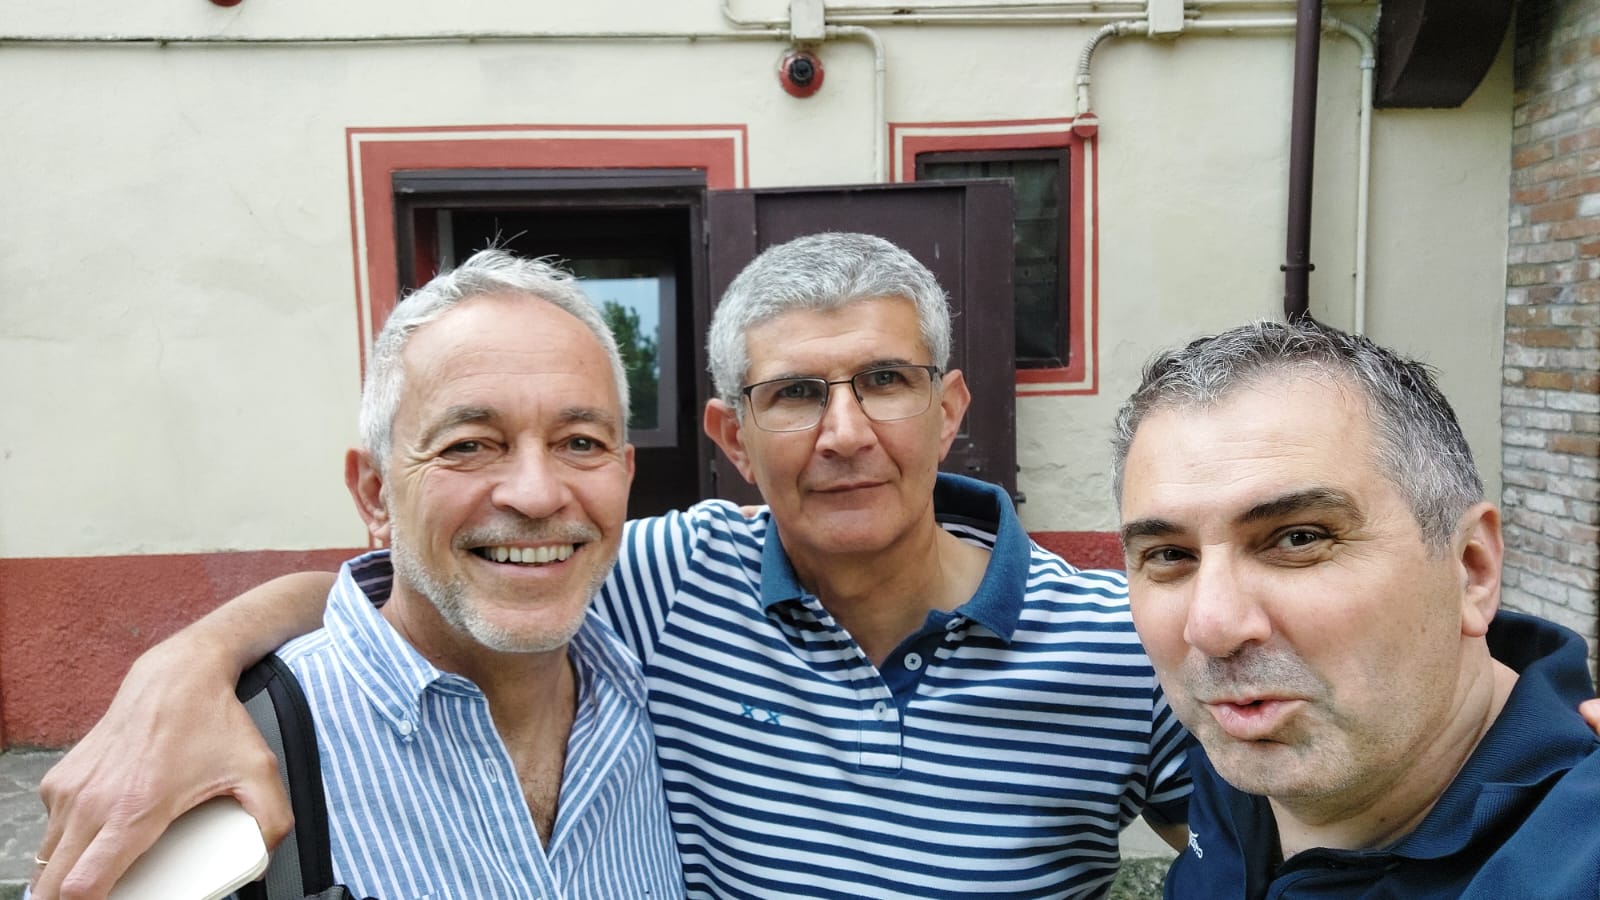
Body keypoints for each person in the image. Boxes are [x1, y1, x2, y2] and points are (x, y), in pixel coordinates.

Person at [35, 233, 1191, 900]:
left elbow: (1268, 838)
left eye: (885, 382)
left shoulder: (1123, 641)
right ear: (731, 438)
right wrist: (189, 668)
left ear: (948, 409)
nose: (844, 433)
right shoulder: (668, 584)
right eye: (795, 393)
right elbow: (428, 583)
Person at [34, 250, 685, 898]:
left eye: (580, 443)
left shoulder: (663, 678)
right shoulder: (209, 764)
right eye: (468, 445)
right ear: (375, 495)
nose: (537, 495)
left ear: (625, 475)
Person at [1110, 319, 1600, 897]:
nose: (1212, 627)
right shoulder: (1239, 753)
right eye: (1169, 555)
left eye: (1300, 538)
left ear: (1471, 569)